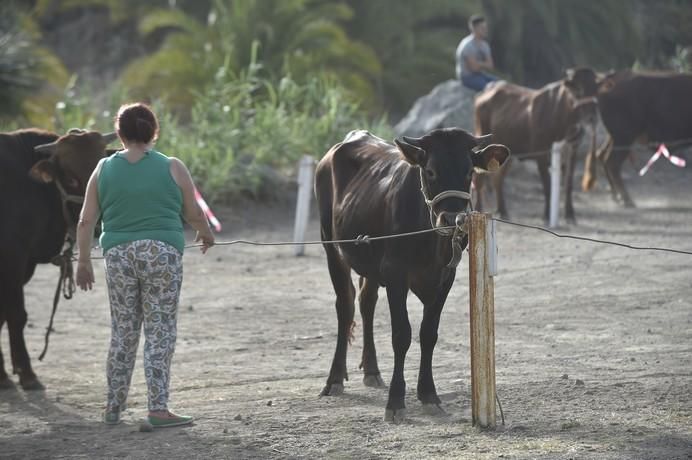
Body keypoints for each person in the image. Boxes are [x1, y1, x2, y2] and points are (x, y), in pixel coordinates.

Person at [75, 102, 215, 428]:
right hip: (162, 253)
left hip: (118, 256)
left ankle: (113, 407)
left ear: (120, 133)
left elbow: (85, 221)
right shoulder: (173, 166)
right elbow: (193, 213)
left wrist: (83, 261)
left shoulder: (103, 169)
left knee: (123, 332)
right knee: (159, 332)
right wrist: (205, 233)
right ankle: (157, 410)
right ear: (154, 131)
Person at [455, 14, 497, 91]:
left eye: (485, 28)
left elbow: (490, 65)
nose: (485, 30)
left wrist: (477, 63)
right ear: (474, 28)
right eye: (482, 28)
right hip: (467, 77)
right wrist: (483, 64)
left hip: (479, 74)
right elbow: (474, 68)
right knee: (489, 88)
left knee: (501, 84)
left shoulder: (484, 45)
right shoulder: (467, 45)